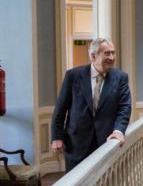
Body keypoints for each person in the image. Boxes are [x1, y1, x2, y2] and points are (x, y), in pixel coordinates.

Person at [51, 37, 132, 171]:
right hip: (75, 143)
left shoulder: (121, 77)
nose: (111, 57)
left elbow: (124, 107)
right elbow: (60, 108)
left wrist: (118, 131)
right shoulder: (73, 75)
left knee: (104, 185)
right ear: (93, 56)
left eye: (113, 53)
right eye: (107, 53)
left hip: (106, 142)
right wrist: (56, 137)